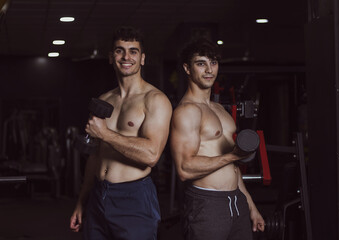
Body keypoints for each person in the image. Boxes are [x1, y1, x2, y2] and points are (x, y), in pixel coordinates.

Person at [69, 26, 172, 240]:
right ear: (111, 57)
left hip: (134, 197)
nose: (126, 56)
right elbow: (95, 156)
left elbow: (151, 156)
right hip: (98, 195)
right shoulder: (104, 99)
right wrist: (82, 201)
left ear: (142, 58)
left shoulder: (155, 100)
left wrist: (105, 134)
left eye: (133, 51)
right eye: (119, 50)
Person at [170, 38, 265, 240]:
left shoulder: (220, 110)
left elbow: (234, 168)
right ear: (187, 68)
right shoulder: (187, 111)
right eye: (201, 63)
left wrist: (251, 206)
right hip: (207, 204)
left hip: (236, 202)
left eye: (213, 63)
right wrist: (233, 156)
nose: (209, 70)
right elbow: (184, 169)